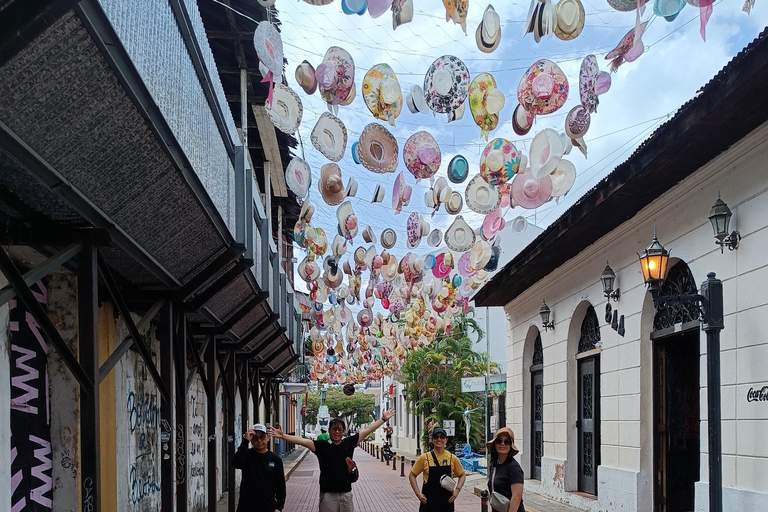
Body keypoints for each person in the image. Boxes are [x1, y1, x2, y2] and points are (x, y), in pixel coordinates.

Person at [270, 408, 396, 512]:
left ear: (344, 431)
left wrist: (383, 419)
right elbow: (303, 441)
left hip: (346, 493)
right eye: (334, 429)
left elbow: (367, 430)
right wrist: (283, 436)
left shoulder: (349, 443)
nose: (337, 432)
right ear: (329, 431)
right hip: (328, 494)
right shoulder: (321, 446)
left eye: (340, 430)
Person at [409, 427, 466, 512]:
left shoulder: (452, 458)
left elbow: (462, 475)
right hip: (428, 503)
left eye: (442, 437)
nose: (439, 439)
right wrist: (418, 494)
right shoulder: (425, 458)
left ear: (446, 440)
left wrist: (457, 491)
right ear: (432, 440)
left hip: (446, 503)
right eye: (436, 437)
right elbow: (412, 475)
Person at [232, 424, 286, 512]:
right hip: (246, 506)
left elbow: (280, 485)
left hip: (268, 506)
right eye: (255, 438)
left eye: (262, 437)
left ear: (268, 437)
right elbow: (235, 463)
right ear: (252, 440)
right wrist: (245, 441)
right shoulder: (246, 455)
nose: (259, 441)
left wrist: (279, 507)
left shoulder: (275, 460)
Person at [487, 427, 525, 512]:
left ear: (511, 445)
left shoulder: (513, 467)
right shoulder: (494, 464)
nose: (502, 444)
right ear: (495, 444)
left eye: (506, 441)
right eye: (499, 441)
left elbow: (517, 497)